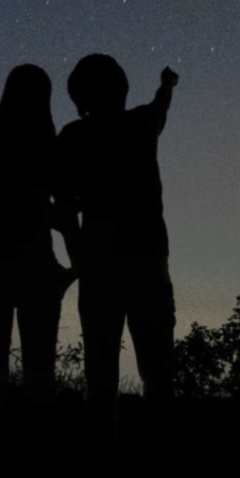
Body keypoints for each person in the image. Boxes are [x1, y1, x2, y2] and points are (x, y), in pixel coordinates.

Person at [58, 53, 178, 417]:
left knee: (100, 364)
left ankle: (99, 450)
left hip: (99, 263)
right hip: (147, 258)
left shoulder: (74, 136)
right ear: (120, 88)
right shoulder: (141, 123)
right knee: (157, 367)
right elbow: (160, 107)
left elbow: (64, 204)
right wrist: (166, 85)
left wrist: (77, 257)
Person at [0, 64, 77, 409]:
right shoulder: (49, 150)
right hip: (37, 270)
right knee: (40, 376)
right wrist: (72, 269)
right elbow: (65, 214)